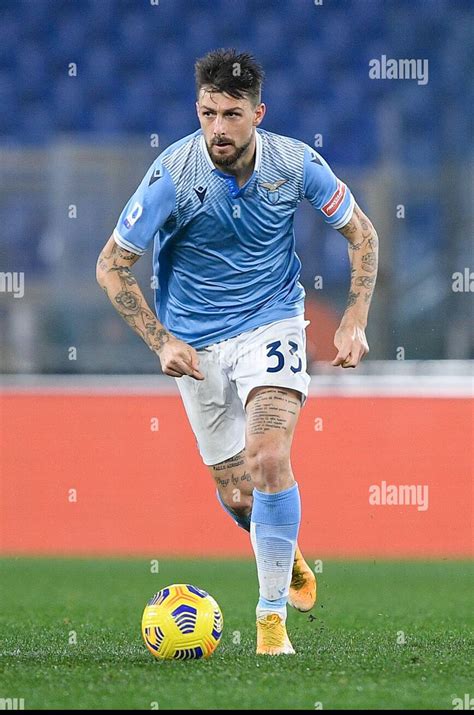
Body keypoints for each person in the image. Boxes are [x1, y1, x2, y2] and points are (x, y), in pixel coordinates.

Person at [96, 48, 378, 655]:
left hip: (271, 323)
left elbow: (362, 232)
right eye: (206, 113)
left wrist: (355, 316)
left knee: (268, 456)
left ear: (258, 113)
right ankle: (287, 550)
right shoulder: (175, 173)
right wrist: (161, 340)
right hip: (195, 341)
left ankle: (269, 623)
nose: (217, 129)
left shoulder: (295, 164)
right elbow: (112, 267)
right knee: (239, 493)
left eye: (231, 114)